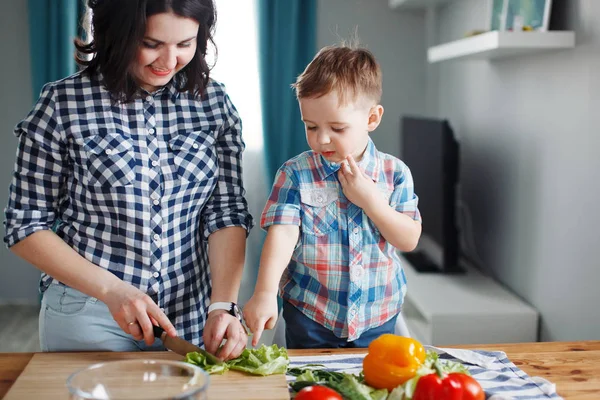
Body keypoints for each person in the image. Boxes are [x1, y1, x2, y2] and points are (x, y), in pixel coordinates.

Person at [3, 0, 253, 360]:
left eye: (185, 44)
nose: (168, 61)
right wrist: (113, 291)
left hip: (191, 318)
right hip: (89, 314)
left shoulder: (213, 103)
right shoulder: (61, 103)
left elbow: (225, 212)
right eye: (151, 43)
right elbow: (25, 226)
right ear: (115, 34)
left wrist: (223, 306)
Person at [243, 44, 422, 349]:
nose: (321, 138)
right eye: (311, 127)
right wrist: (264, 293)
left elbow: (408, 239)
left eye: (337, 128)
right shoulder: (295, 173)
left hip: (378, 318)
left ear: (372, 118)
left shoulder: (395, 173)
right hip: (311, 316)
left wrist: (371, 201)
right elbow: (283, 234)